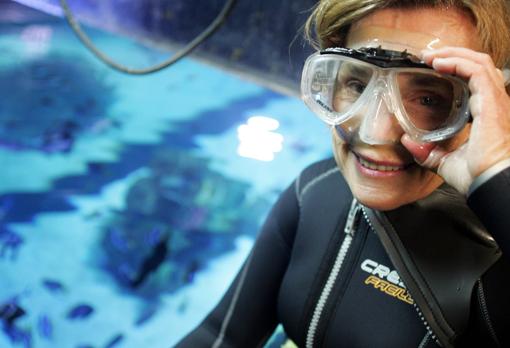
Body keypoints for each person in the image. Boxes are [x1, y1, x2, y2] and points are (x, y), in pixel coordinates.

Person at [176, 1, 510, 347]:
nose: (374, 134)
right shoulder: (314, 192)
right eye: (355, 83)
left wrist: (494, 172)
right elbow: (221, 335)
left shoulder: (493, 263)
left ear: (488, 107)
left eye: (429, 99)